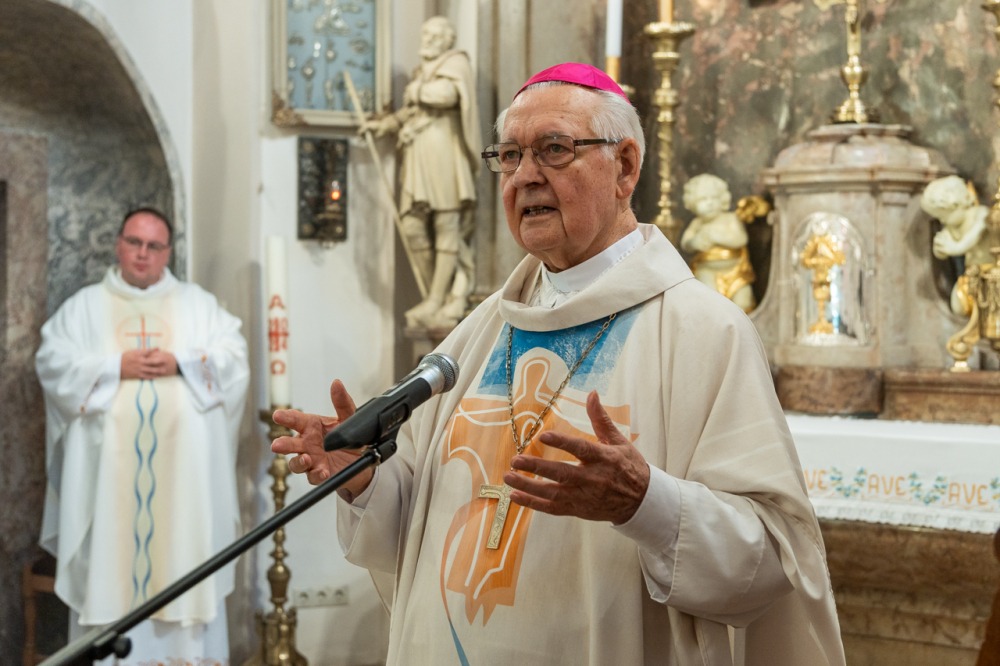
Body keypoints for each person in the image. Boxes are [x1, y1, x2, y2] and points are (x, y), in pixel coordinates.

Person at [274, 63, 845, 664]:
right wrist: (365, 478)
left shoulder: (704, 331)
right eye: (510, 156)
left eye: (554, 150)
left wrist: (645, 503)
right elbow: (418, 526)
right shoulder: (482, 329)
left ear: (625, 167)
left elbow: (771, 558)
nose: (525, 176)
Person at [36, 207, 249, 663]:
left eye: (154, 246)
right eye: (134, 242)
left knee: (187, 569)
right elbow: (52, 362)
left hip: (184, 496)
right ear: (118, 244)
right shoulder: (84, 308)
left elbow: (234, 359)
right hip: (107, 493)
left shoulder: (198, 306)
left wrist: (182, 362)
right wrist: (114, 366)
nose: (142, 254)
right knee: (107, 584)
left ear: (168, 252)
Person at [360, 15, 480, 329]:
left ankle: (438, 300)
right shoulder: (423, 73)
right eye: (425, 34)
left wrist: (417, 90)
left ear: (447, 41)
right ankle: (434, 296)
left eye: (434, 36)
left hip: (443, 155)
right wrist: (385, 125)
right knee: (412, 226)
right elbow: (411, 111)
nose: (427, 40)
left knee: (446, 224)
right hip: (418, 156)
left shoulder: (456, 64)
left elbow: (448, 95)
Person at [680, 173, 757, 313]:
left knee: (743, 301)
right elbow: (685, 243)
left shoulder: (730, 218)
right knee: (709, 302)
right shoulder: (697, 223)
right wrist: (694, 242)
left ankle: (742, 323)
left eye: (714, 198)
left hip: (736, 274)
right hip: (706, 272)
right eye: (703, 199)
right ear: (692, 203)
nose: (709, 203)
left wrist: (718, 237)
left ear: (722, 199)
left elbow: (741, 239)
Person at [920, 175, 993, 315]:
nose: (942, 221)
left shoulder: (980, 214)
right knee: (959, 305)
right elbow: (940, 247)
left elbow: (972, 237)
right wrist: (940, 250)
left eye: (944, 216)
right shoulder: (952, 227)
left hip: (992, 273)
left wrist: (956, 247)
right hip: (971, 275)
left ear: (957, 204)